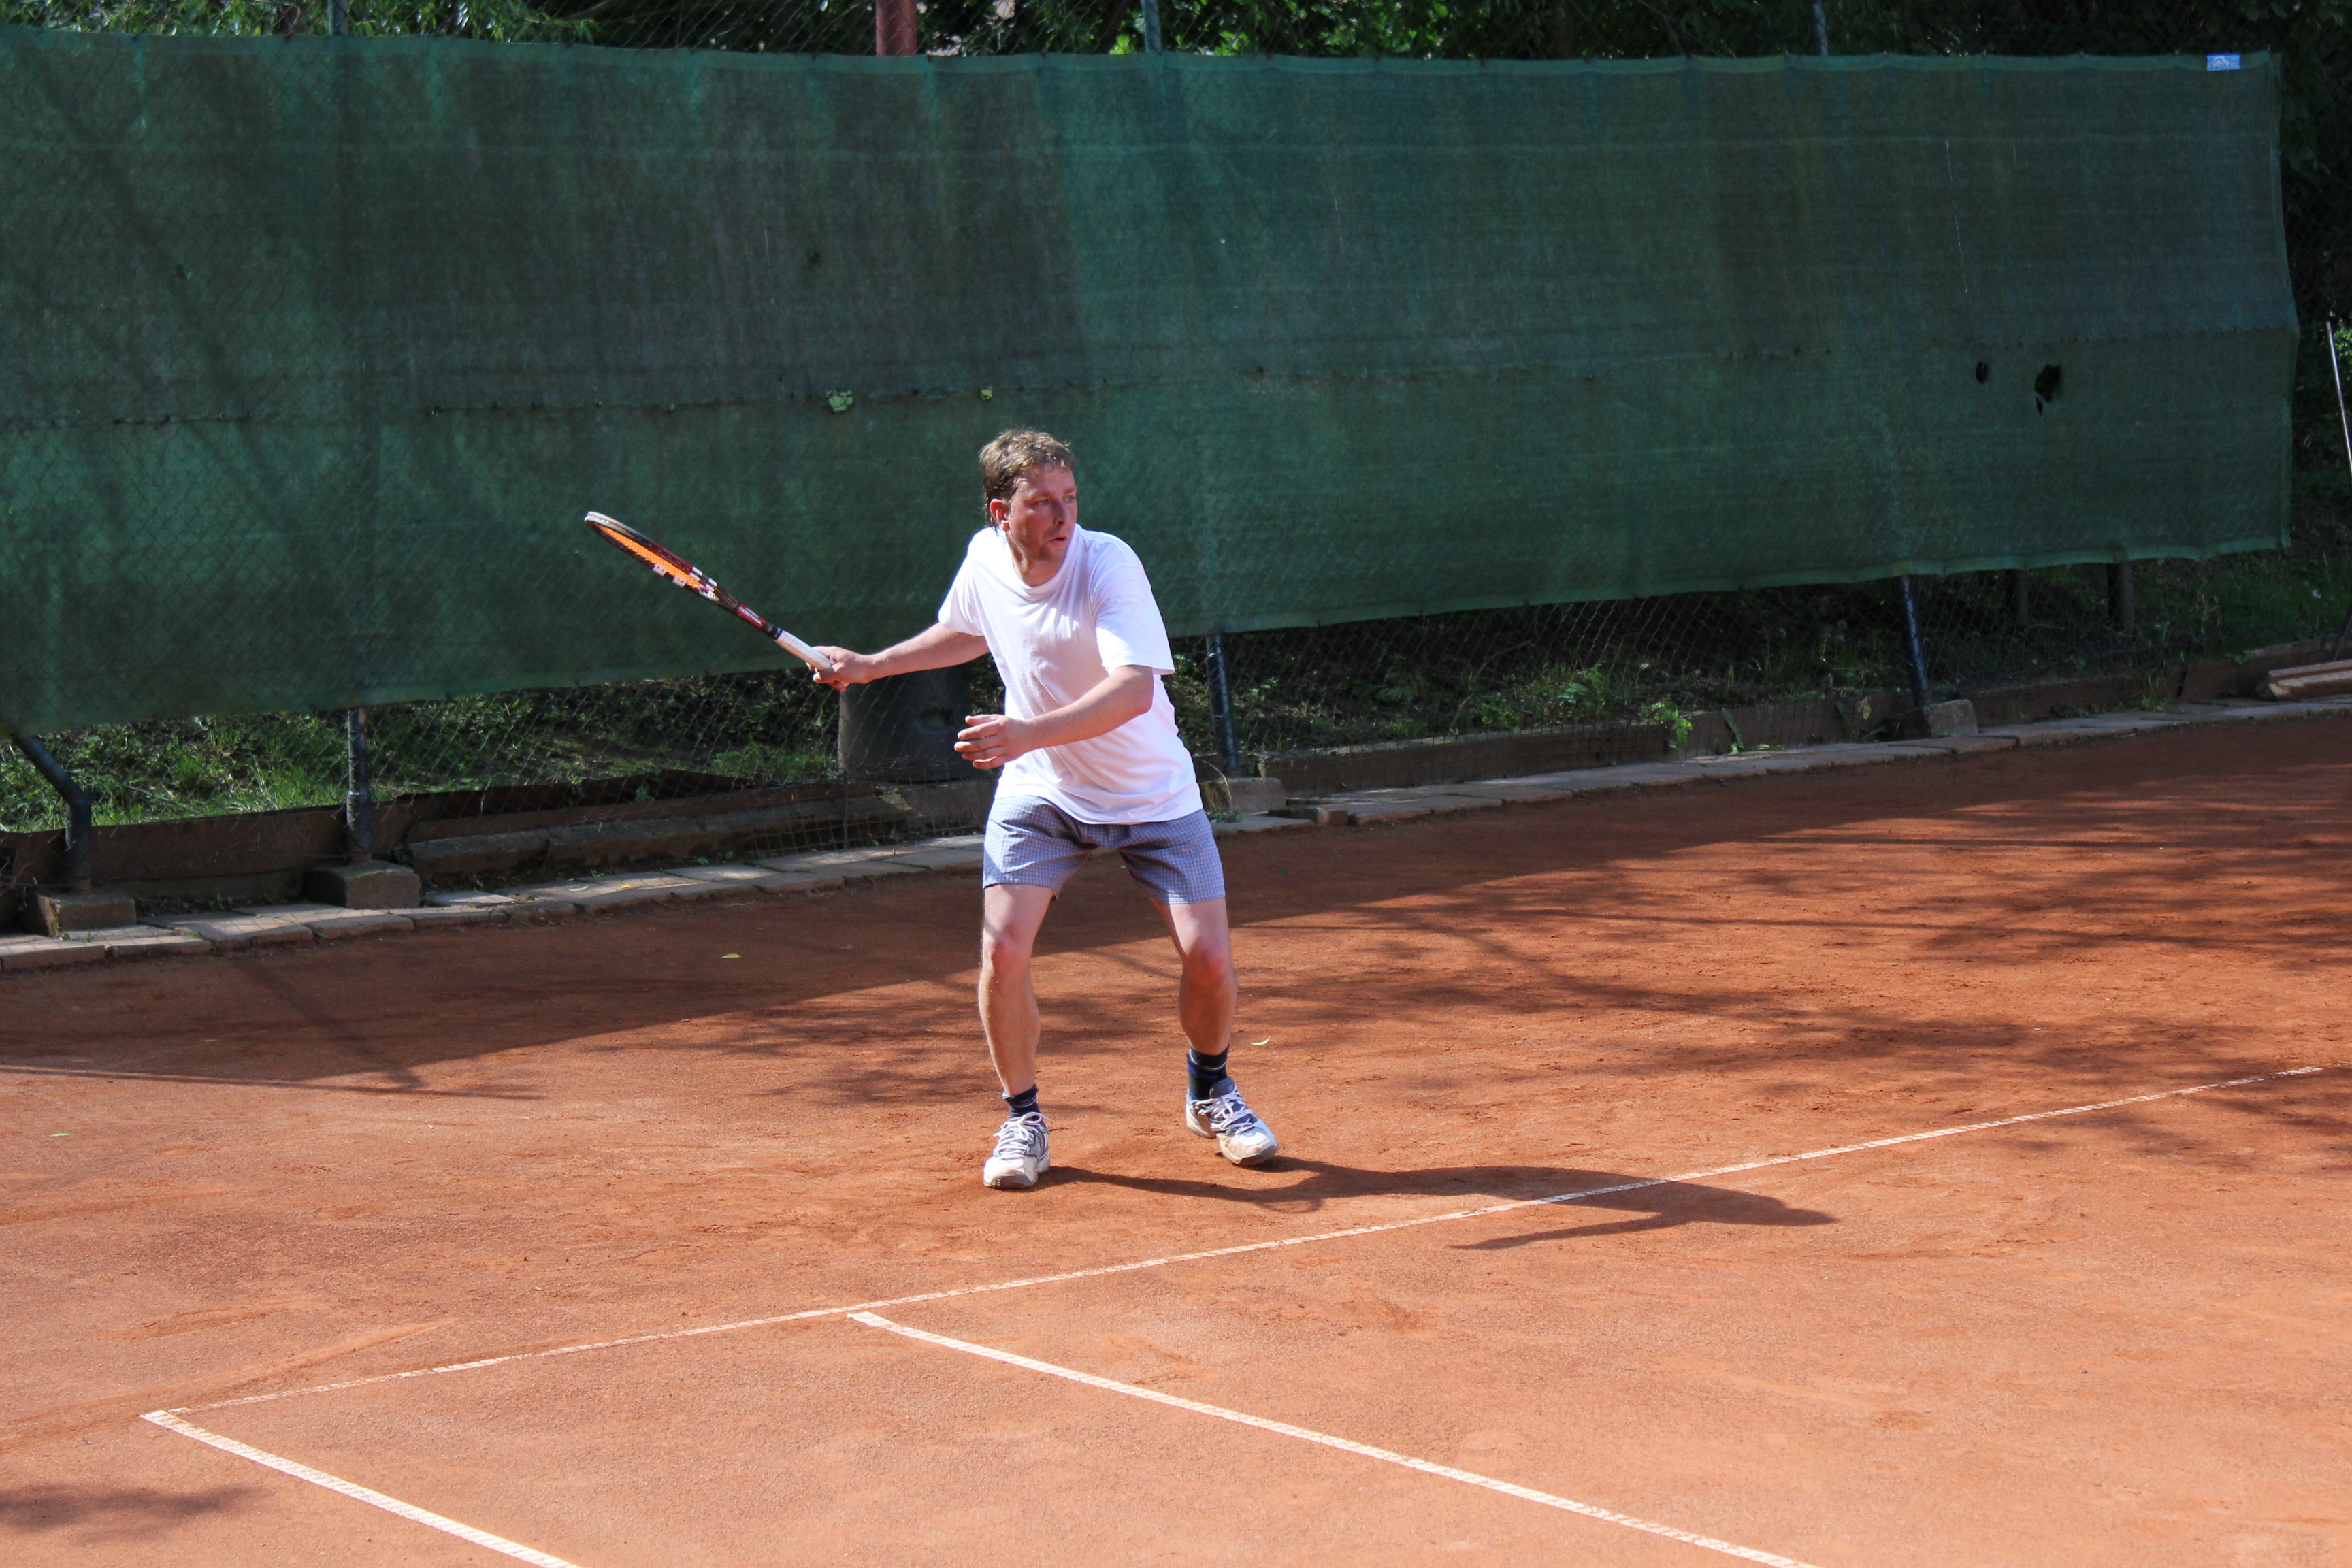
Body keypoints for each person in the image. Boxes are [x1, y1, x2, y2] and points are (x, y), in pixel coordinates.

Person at [812, 429, 1279, 1190]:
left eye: (1071, 499)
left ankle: (1210, 1089)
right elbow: (965, 630)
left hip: (1152, 793)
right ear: (1002, 511)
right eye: (1043, 504)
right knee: (1003, 952)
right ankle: (1023, 1118)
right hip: (1042, 792)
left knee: (1211, 961)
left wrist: (1028, 731)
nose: (1064, 517)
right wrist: (872, 666)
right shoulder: (985, 559)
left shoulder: (1108, 563)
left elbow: (1134, 691)